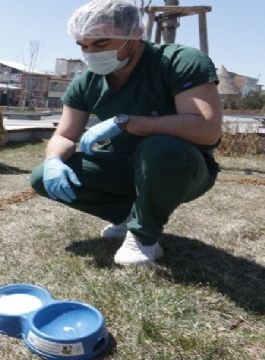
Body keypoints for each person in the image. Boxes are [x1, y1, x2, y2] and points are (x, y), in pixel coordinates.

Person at [29, 0, 222, 266]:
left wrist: (127, 122)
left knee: (160, 148)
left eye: (101, 43)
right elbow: (64, 136)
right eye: (83, 45)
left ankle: (143, 238)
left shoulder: (180, 62)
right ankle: (128, 218)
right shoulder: (86, 83)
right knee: (42, 177)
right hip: (124, 167)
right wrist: (52, 162)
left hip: (181, 169)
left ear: (135, 35)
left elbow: (207, 129)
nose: (90, 53)